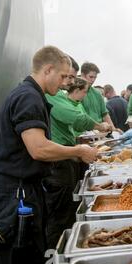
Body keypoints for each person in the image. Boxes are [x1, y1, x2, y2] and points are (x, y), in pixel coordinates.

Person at [0, 46, 98, 264]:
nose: (67, 83)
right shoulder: (28, 97)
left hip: (23, 189)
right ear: (48, 70)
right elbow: (39, 148)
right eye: (64, 76)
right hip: (16, 195)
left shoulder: (29, 93)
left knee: (32, 261)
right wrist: (78, 151)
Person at [44, 77, 110, 248]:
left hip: (66, 157)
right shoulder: (54, 96)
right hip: (58, 162)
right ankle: (57, 254)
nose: (68, 82)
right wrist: (99, 128)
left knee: (65, 211)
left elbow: (77, 124)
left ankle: (64, 246)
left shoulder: (60, 95)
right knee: (60, 214)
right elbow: (77, 119)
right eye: (67, 76)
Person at [80, 62, 117, 130]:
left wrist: (114, 130)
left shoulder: (97, 93)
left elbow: (105, 114)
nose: (93, 80)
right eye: (91, 77)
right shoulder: (74, 92)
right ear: (82, 75)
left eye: (95, 77)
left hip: (99, 133)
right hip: (83, 133)